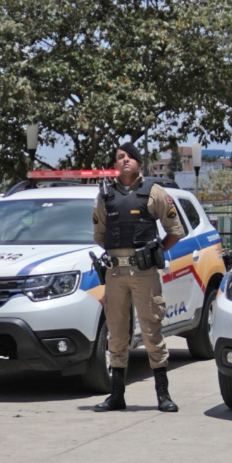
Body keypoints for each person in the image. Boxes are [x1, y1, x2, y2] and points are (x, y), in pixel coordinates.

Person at [91, 142, 185, 413]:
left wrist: (156, 251)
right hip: (115, 273)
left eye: (129, 157)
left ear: (139, 162)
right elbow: (100, 235)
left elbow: (175, 230)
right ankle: (117, 395)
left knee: (151, 329)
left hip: (144, 273)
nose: (124, 161)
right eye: (119, 157)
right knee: (116, 333)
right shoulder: (105, 195)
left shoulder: (154, 193)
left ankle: (163, 395)